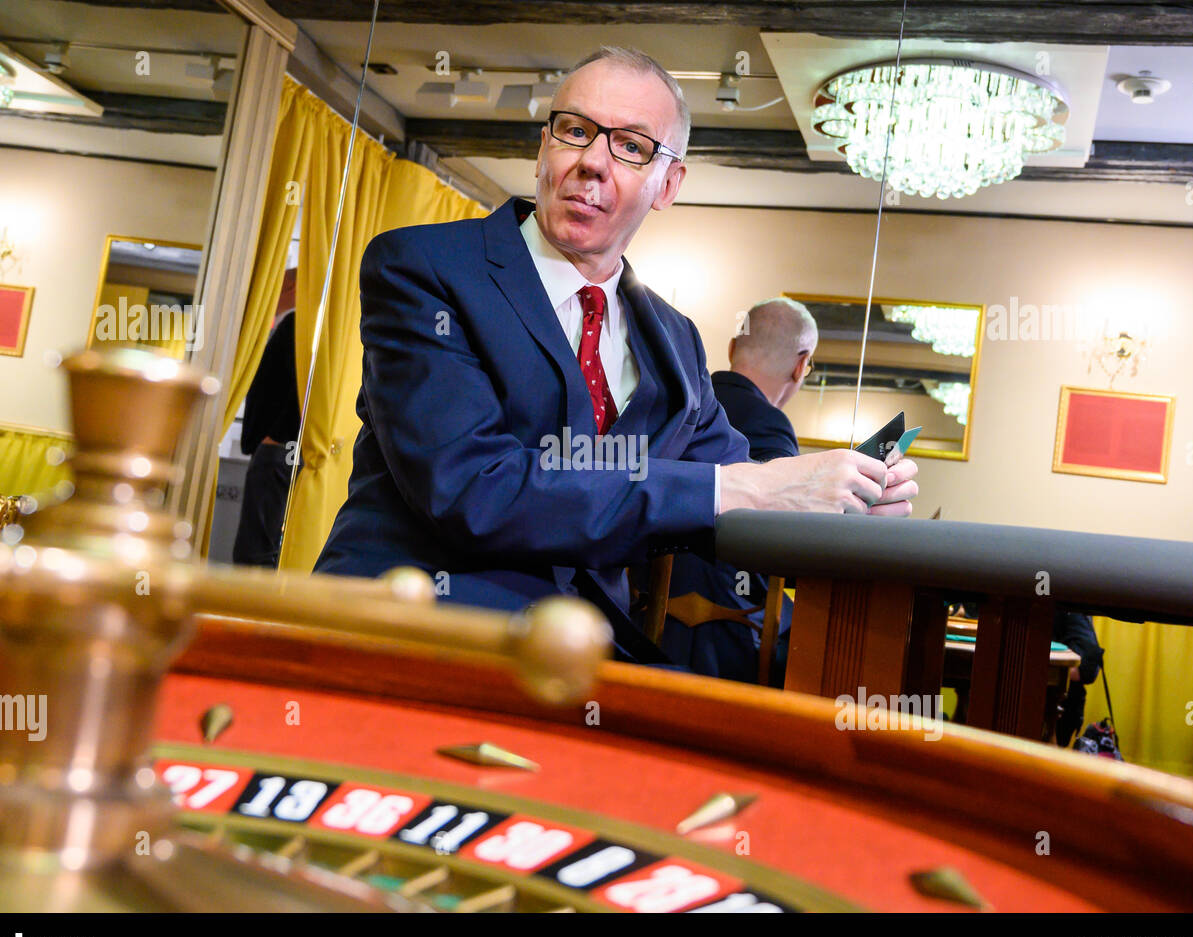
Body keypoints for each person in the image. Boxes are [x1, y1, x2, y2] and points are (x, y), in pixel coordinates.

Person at [315, 46, 918, 662]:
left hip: (584, 656)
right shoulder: (424, 268)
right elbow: (471, 489)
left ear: (669, 184)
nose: (592, 164)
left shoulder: (676, 338)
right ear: (544, 146)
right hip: (411, 633)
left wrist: (846, 505)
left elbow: (748, 494)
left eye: (631, 146)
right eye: (575, 131)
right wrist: (736, 491)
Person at [654, 297, 817, 681]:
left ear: (731, 348)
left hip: (645, 611)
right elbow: (777, 540)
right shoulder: (770, 423)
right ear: (800, 365)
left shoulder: (679, 402)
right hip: (720, 628)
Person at [232, 269, 300, 567]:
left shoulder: (297, 326)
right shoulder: (291, 326)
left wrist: (275, 438)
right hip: (278, 449)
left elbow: (299, 391)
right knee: (259, 549)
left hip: (277, 450)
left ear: (292, 285)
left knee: (255, 552)